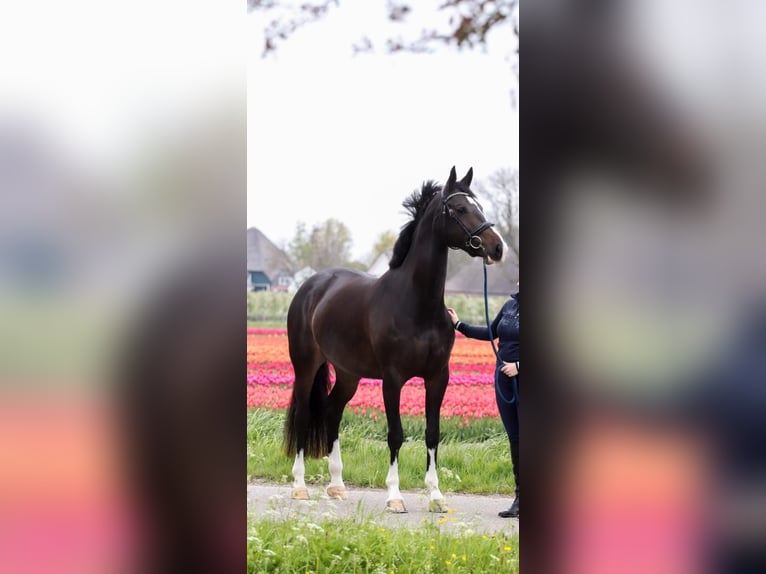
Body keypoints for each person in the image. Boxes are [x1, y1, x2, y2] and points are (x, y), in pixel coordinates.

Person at [447, 288, 519, 518]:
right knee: (516, 438)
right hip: (503, 379)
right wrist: (459, 325)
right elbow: (491, 332)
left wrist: (519, 366)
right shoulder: (509, 307)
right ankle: (520, 498)